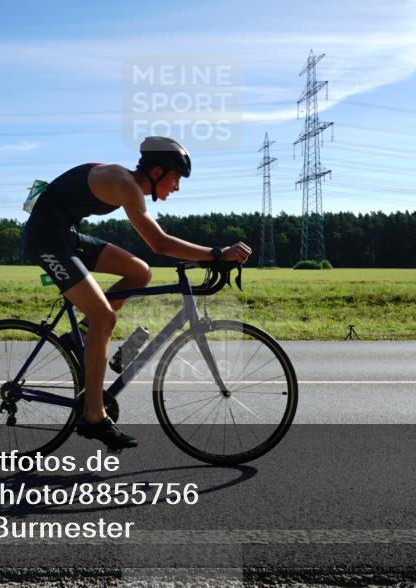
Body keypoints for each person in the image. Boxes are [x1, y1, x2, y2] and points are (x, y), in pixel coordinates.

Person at [21, 136, 252, 451]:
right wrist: (217, 253)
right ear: (157, 172)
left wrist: (211, 256)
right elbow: (159, 243)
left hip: (66, 234)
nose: (177, 188)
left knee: (140, 272)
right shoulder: (124, 184)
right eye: (175, 179)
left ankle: (81, 336)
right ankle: (93, 416)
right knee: (105, 317)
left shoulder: (125, 183)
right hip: (46, 238)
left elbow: (155, 249)